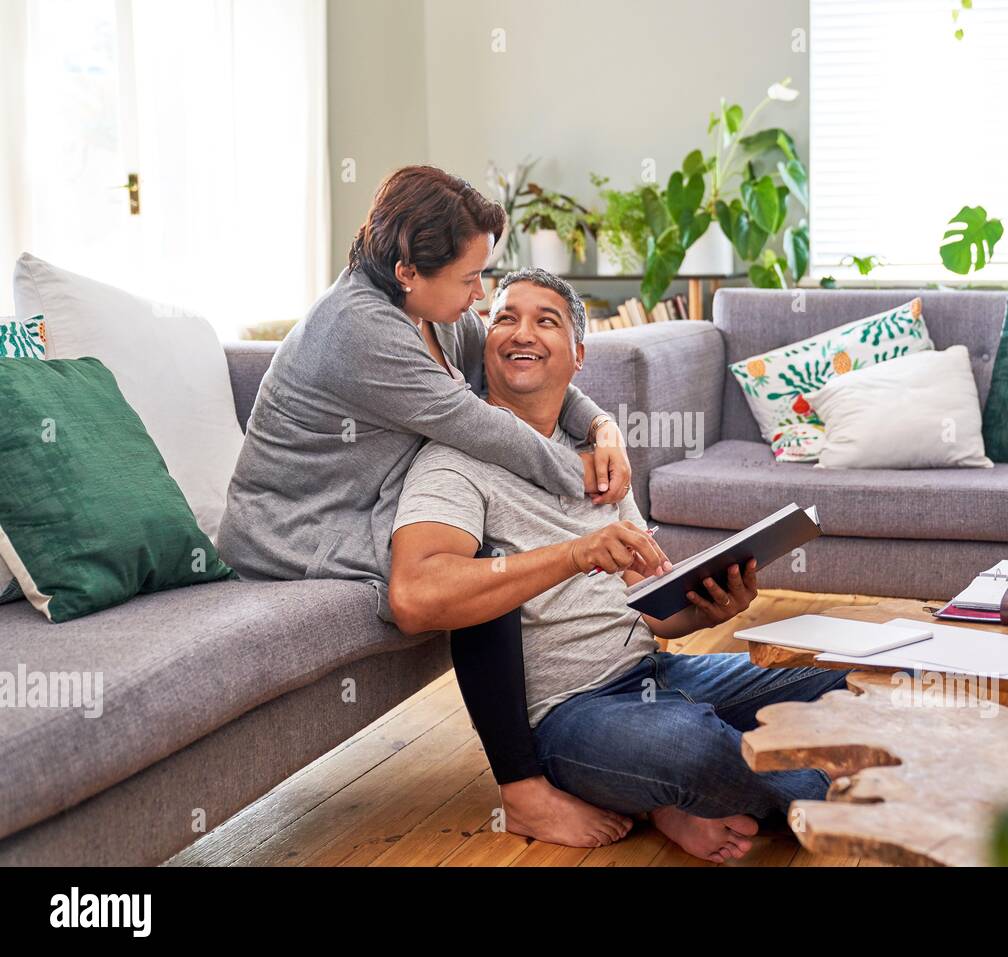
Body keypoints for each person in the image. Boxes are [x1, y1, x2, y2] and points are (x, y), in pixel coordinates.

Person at [219, 166, 665, 847]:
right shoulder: (357, 330)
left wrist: (604, 427)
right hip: (296, 525)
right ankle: (523, 790)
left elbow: (500, 364)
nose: (479, 295)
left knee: (486, 551)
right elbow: (480, 424)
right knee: (487, 566)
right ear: (407, 270)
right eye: (469, 279)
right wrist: (583, 474)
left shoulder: (435, 315)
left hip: (362, 498)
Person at [388, 268, 848, 862]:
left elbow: (656, 614)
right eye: (505, 317)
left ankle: (700, 792)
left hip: (658, 677)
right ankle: (831, 791)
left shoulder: (599, 461)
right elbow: (414, 593)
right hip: (570, 716)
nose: (519, 332)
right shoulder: (455, 461)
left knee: (854, 679)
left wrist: (711, 606)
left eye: (544, 320)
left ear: (578, 355)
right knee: (694, 746)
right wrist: (575, 553)